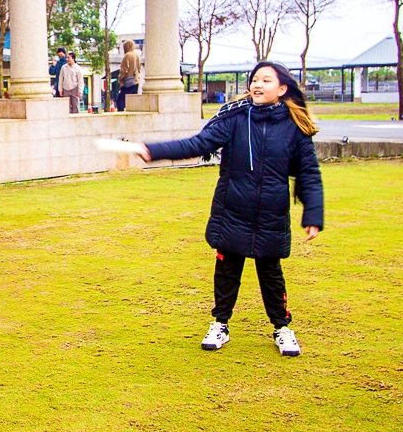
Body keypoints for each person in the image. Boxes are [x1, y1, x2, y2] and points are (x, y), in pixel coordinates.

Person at [138, 61, 324, 357]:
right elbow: (198, 144)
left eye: (266, 80)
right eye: (255, 80)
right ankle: (220, 324)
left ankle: (282, 328)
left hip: (271, 215)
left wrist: (313, 215)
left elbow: (309, 173)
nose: (257, 85)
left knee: (271, 274)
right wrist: (154, 151)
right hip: (232, 210)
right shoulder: (236, 118)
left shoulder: (294, 127)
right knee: (226, 270)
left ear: (282, 89)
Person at [116, 40, 140, 111]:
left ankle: (121, 116)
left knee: (120, 101)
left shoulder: (127, 55)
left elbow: (124, 70)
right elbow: (139, 69)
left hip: (127, 82)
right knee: (132, 101)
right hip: (135, 81)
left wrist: (120, 78)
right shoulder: (137, 56)